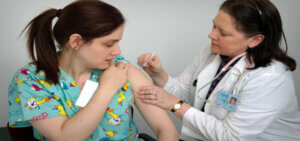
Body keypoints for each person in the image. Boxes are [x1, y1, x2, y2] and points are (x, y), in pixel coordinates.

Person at [8, 0, 178, 140]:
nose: (118, 51)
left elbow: (166, 130)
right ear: (76, 42)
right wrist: (107, 88)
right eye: (109, 44)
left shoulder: (120, 68)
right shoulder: (31, 79)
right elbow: (65, 137)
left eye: (118, 42)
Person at [137, 0, 300, 140]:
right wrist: (159, 75)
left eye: (223, 33)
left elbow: (232, 137)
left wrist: (175, 105)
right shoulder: (210, 52)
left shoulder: (270, 77)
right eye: (214, 26)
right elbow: (183, 91)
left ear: (255, 40)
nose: (211, 35)